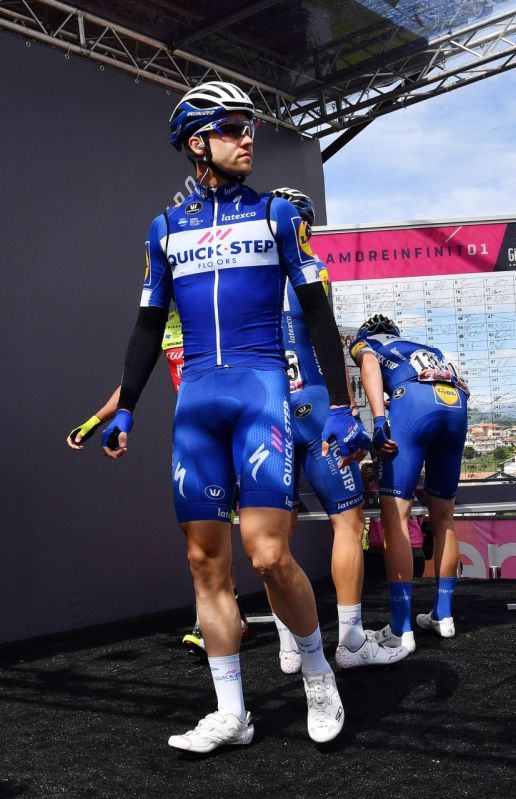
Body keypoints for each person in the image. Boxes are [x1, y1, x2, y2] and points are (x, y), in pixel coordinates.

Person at [100, 81, 369, 753]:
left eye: (249, 126)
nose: (247, 137)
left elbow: (318, 313)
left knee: (268, 554)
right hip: (198, 403)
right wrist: (127, 406)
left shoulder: (277, 214)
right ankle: (232, 713)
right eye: (231, 127)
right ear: (197, 143)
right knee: (204, 562)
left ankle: (317, 673)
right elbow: (147, 325)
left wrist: (341, 405)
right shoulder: (165, 230)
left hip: (260, 391)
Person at [267, 187, 407, 674]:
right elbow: (324, 340)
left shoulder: (244, 278)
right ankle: (350, 642)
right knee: (348, 524)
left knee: (274, 537)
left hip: (268, 412)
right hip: (315, 404)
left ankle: (289, 644)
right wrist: (347, 410)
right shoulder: (311, 268)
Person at [66, 309, 246, 655]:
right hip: (197, 436)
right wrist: (93, 422)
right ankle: (218, 616)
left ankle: (293, 636)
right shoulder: (165, 323)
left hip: (239, 427)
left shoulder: (218, 308)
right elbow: (133, 383)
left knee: (259, 540)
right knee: (205, 532)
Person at [351, 314, 468, 652]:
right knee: (444, 517)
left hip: (413, 402)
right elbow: (462, 385)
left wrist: (380, 419)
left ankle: (401, 628)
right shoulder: (427, 348)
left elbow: (369, 365)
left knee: (396, 518)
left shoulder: (366, 342)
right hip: (455, 405)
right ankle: (443, 615)